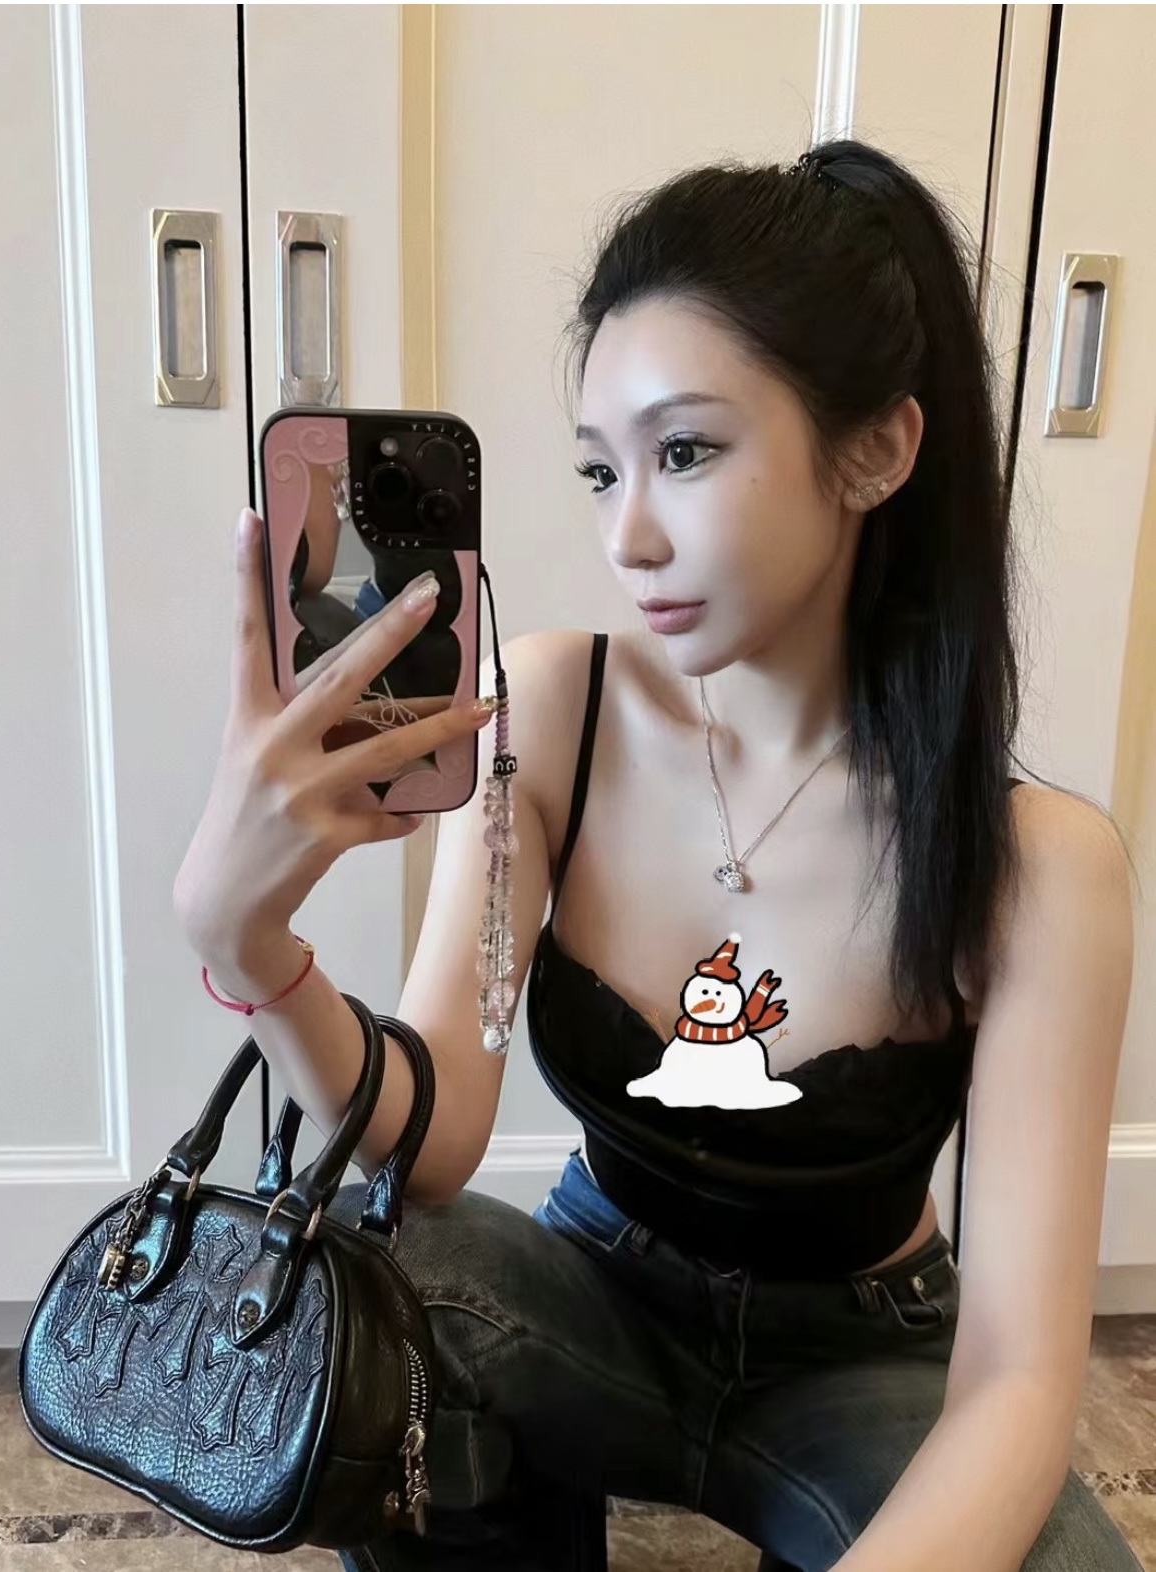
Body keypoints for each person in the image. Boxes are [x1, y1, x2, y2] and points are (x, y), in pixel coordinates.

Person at [174, 138, 1141, 1572]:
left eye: (684, 453)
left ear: (875, 451)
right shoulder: (552, 709)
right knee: (382, 1291)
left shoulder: (1038, 864)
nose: (625, 535)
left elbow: (1017, 1384)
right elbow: (431, 1146)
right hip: (596, 1298)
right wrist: (246, 942)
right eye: (598, 468)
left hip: (866, 1357)